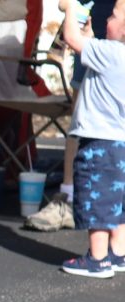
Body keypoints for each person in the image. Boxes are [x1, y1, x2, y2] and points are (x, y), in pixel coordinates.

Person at [27, 0, 115, 231]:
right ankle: (68, 199)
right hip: (97, 24)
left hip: (115, 24)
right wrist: (71, 13)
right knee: (81, 119)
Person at [58, 0, 125, 277]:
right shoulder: (113, 53)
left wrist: (69, 9)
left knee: (96, 197)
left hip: (98, 141)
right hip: (120, 143)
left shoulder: (109, 52)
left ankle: (97, 259)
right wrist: (89, 35)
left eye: (113, 16)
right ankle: (119, 252)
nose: (106, 18)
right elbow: (87, 45)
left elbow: (71, 39)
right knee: (117, 198)